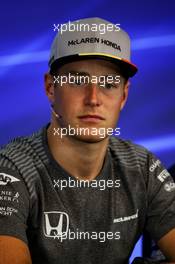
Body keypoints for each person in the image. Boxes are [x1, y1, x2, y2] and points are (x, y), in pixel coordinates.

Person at [0, 17, 175, 264]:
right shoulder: (11, 169)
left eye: (109, 84)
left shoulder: (143, 168)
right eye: (77, 80)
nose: (93, 98)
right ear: (51, 87)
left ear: (124, 95)